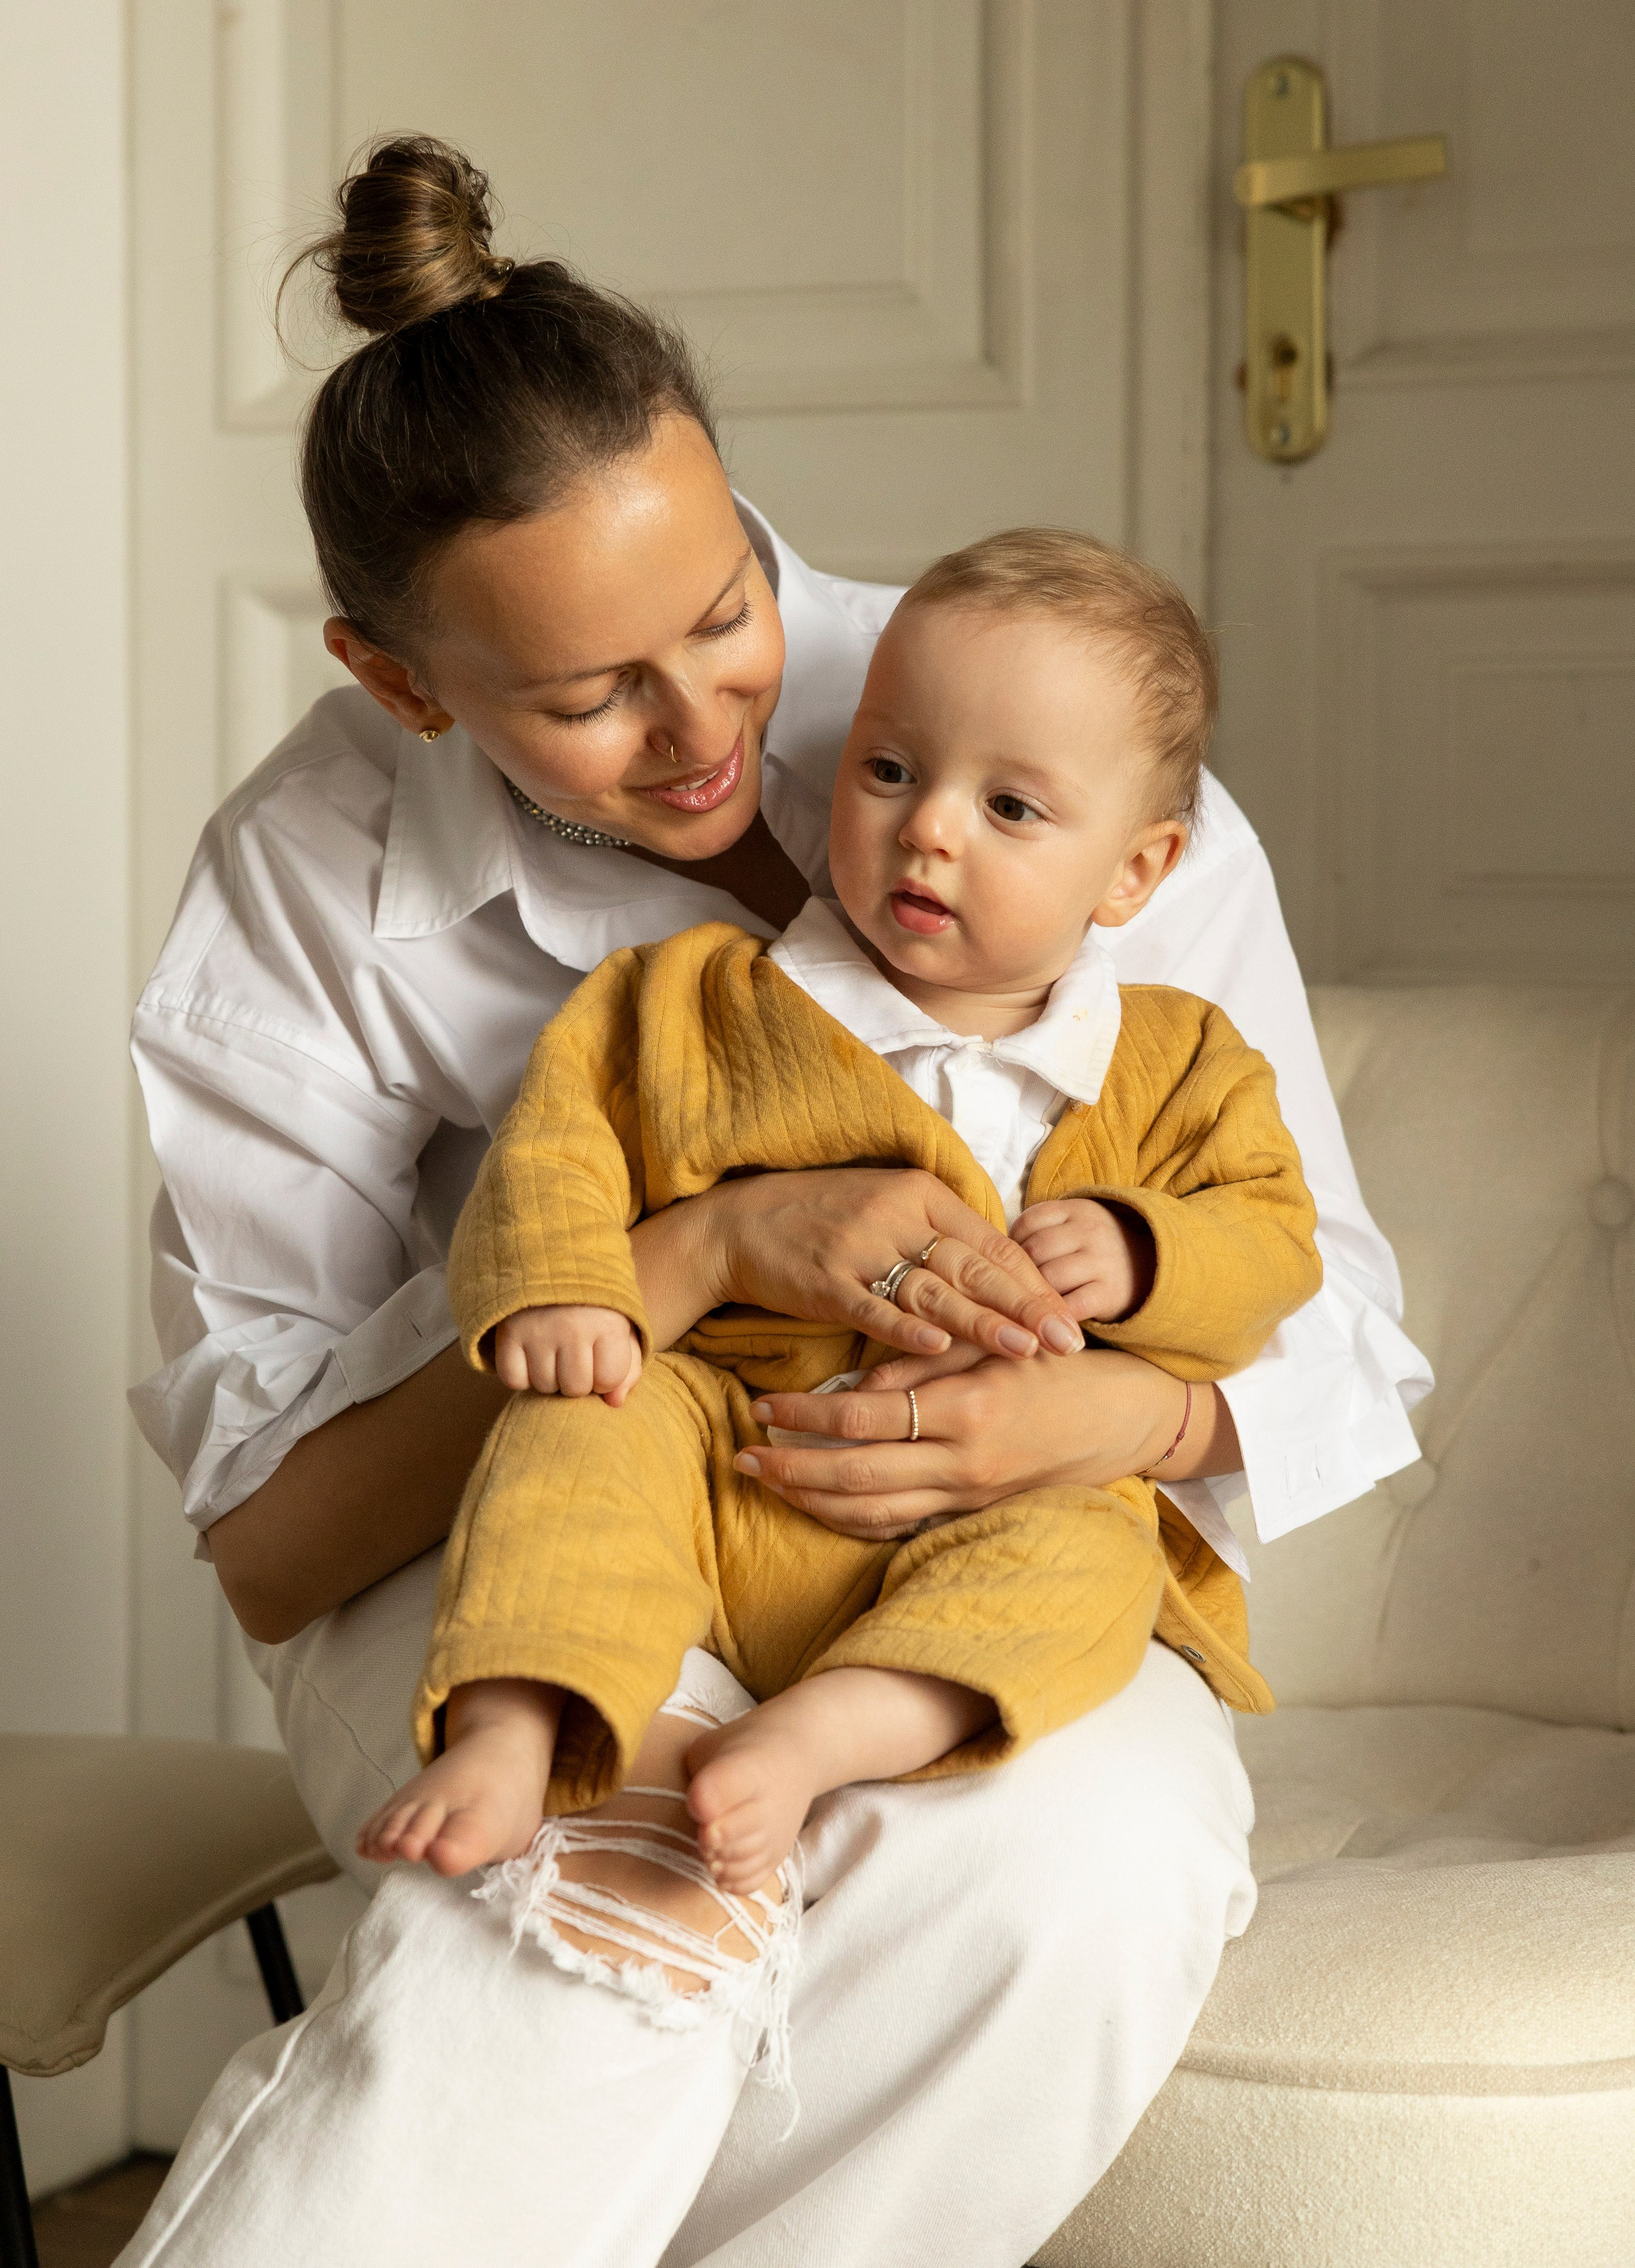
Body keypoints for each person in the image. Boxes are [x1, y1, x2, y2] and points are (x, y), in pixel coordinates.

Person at [119, 137, 1431, 2268]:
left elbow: (1323, 1303)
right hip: (552, 1518)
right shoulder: (301, 891)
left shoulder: (1050, 736)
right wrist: (678, 1265)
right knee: (608, 1873)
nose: (707, 720)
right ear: (402, 683)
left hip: (976, 1532)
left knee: (1084, 1874)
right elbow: (276, 1548)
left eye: (723, 609)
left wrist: (1113, 1414)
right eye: (585, 697)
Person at [361, 529, 1321, 1963]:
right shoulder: (692, 998)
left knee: (1096, 1560)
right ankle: (514, 1725)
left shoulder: (1181, 1063)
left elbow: (1274, 1244)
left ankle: (828, 1734)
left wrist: (1142, 1248)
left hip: (984, 1511)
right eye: (888, 771)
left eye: (1008, 806)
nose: (927, 827)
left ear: (1133, 875)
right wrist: (564, 1288)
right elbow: (558, 1143)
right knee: (572, 1435)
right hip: (721, 1441)